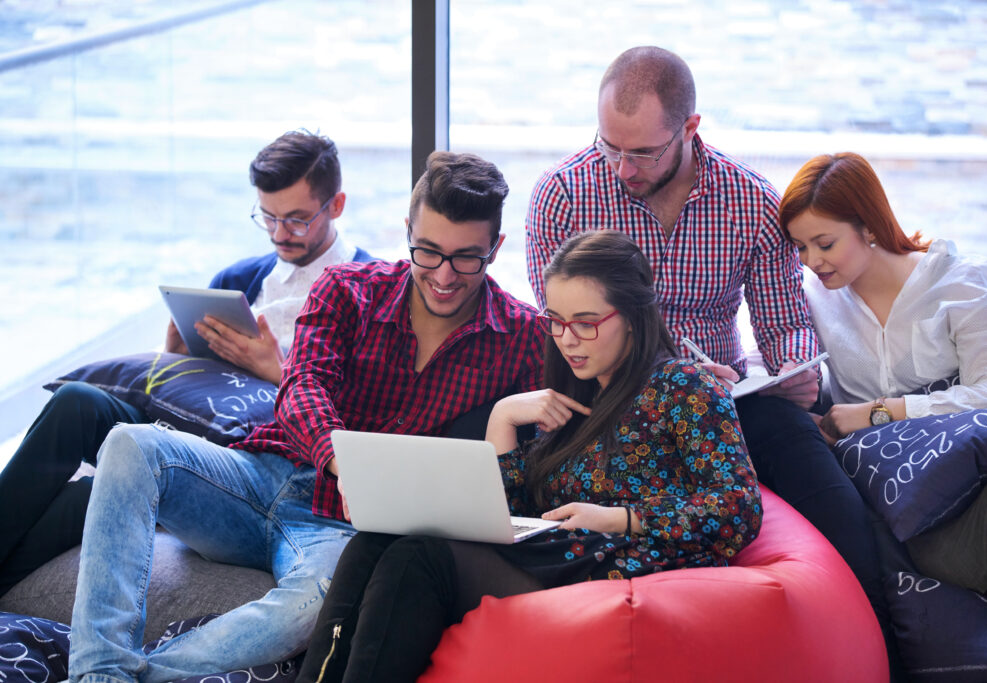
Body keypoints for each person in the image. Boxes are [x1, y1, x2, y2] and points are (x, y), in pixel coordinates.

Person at [65, 150, 544, 683]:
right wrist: (344, 460)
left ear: (496, 249)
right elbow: (302, 385)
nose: (444, 276)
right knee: (130, 443)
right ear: (407, 229)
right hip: (262, 475)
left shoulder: (523, 338)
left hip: (342, 528)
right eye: (427, 252)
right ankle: (100, 671)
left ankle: (137, 673)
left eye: (466, 258)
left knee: (310, 607)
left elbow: (534, 461)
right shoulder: (346, 288)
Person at [524, 45, 899, 670]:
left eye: (642, 151)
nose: (621, 167)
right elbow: (568, 330)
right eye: (609, 145)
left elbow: (786, 328)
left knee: (835, 500)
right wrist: (669, 365)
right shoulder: (562, 195)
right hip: (605, 394)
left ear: (690, 129)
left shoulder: (750, 201)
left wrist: (793, 372)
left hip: (721, 401)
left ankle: (884, 657)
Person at [296, 230, 762, 683]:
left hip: (621, 570)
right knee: (372, 543)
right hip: (560, 556)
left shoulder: (683, 387)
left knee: (418, 559)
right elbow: (511, 507)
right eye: (555, 321)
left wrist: (618, 517)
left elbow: (739, 509)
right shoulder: (580, 396)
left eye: (585, 323)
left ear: (634, 316)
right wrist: (502, 418)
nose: (567, 339)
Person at [0, 129, 373, 597]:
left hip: (245, 454)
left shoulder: (367, 293)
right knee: (77, 400)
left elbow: (362, 415)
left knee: (96, 492)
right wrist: (174, 361)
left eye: (297, 221)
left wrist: (276, 372)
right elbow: (188, 380)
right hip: (189, 418)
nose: (280, 234)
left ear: (336, 206)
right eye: (268, 217)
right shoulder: (238, 278)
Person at [779, 151, 987, 618]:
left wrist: (878, 411)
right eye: (799, 247)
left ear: (868, 226)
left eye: (824, 243)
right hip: (897, 500)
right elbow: (779, 363)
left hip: (981, 481)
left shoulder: (961, 280)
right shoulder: (812, 299)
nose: (811, 261)